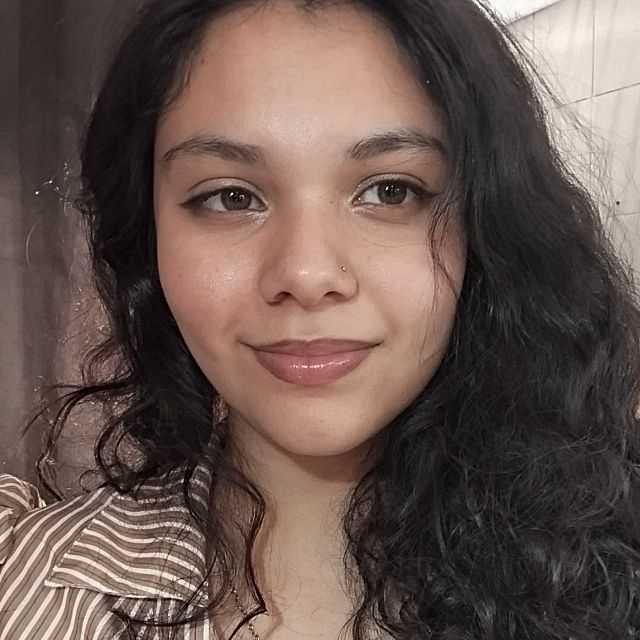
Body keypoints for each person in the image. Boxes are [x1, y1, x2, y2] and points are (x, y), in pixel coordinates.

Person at [1, 0, 639, 638]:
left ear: (486, 228)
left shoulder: (617, 566)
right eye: (231, 197)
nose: (306, 274)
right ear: (150, 239)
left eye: (390, 190)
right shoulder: (25, 583)